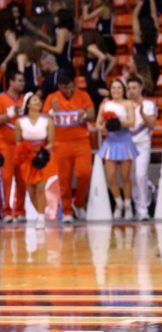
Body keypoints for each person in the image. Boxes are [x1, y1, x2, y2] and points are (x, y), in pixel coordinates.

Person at [43, 72, 95, 222]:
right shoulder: (51, 98)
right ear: (59, 86)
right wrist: (52, 111)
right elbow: (44, 121)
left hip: (81, 141)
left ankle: (78, 204)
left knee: (84, 173)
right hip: (60, 143)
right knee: (64, 179)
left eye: (71, 87)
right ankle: (67, 211)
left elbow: (92, 114)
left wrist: (84, 115)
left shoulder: (83, 95)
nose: (69, 90)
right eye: (65, 88)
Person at [97, 80, 139, 220]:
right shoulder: (104, 104)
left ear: (123, 89)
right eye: (113, 87)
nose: (116, 90)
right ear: (110, 89)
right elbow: (98, 124)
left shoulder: (128, 104)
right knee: (111, 177)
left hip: (124, 141)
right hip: (110, 142)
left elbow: (132, 123)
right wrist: (106, 125)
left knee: (126, 177)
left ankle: (128, 206)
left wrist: (117, 121)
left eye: (119, 87)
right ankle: (119, 203)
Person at [14, 93, 55, 229]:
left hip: (42, 157)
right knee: (31, 191)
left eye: (39, 100)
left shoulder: (47, 121)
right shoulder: (20, 122)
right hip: (27, 158)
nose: (38, 102)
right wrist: (25, 151)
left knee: (40, 188)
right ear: (28, 105)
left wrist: (42, 152)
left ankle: (41, 218)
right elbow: (18, 141)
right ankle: (40, 212)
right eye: (34, 100)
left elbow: (51, 142)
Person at [127, 76, 157, 221]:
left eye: (134, 88)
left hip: (143, 143)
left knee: (141, 174)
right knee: (132, 177)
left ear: (141, 88)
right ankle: (136, 205)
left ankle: (144, 208)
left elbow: (152, 124)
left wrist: (142, 113)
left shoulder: (149, 104)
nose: (131, 91)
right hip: (127, 144)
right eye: (129, 88)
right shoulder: (124, 104)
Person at [0, 71, 25, 223]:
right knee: (6, 178)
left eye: (23, 81)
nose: (22, 83)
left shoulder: (25, 100)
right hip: (4, 144)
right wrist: (8, 115)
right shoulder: (1, 98)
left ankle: (20, 211)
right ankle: (6, 211)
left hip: (22, 145)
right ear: (11, 81)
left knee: (22, 179)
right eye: (20, 80)